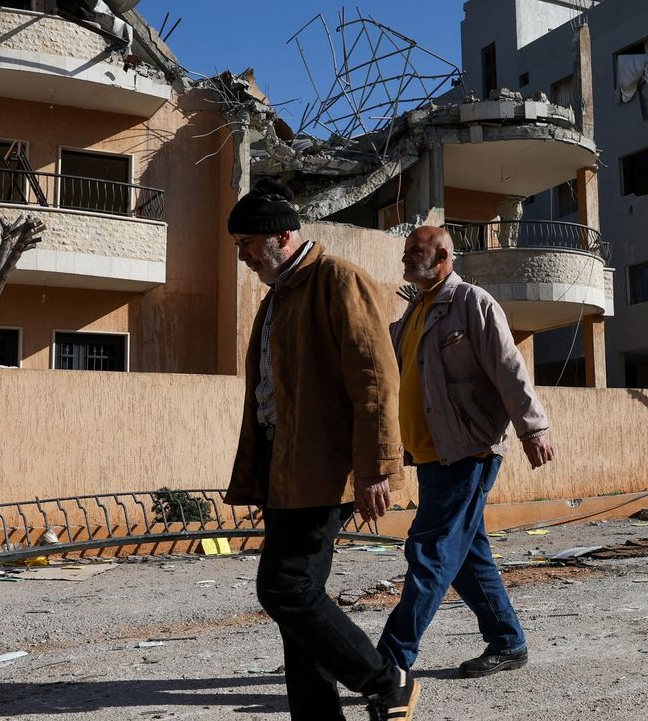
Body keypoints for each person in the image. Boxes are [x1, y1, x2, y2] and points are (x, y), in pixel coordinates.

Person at [224, 178, 420, 721]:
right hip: (285, 471)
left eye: (248, 245)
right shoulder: (279, 296)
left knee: (284, 588)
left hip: (322, 470)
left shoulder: (337, 281)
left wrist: (377, 467)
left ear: (281, 236)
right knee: (300, 598)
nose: (243, 256)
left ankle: (386, 681)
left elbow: (376, 380)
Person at [377, 225, 556, 680]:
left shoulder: (471, 302)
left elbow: (508, 365)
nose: (405, 259)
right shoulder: (414, 312)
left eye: (415, 252)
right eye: (405, 252)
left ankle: (388, 662)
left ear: (442, 255)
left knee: (431, 550)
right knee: (465, 555)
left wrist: (533, 426)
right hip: (430, 452)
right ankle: (508, 641)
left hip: (469, 448)